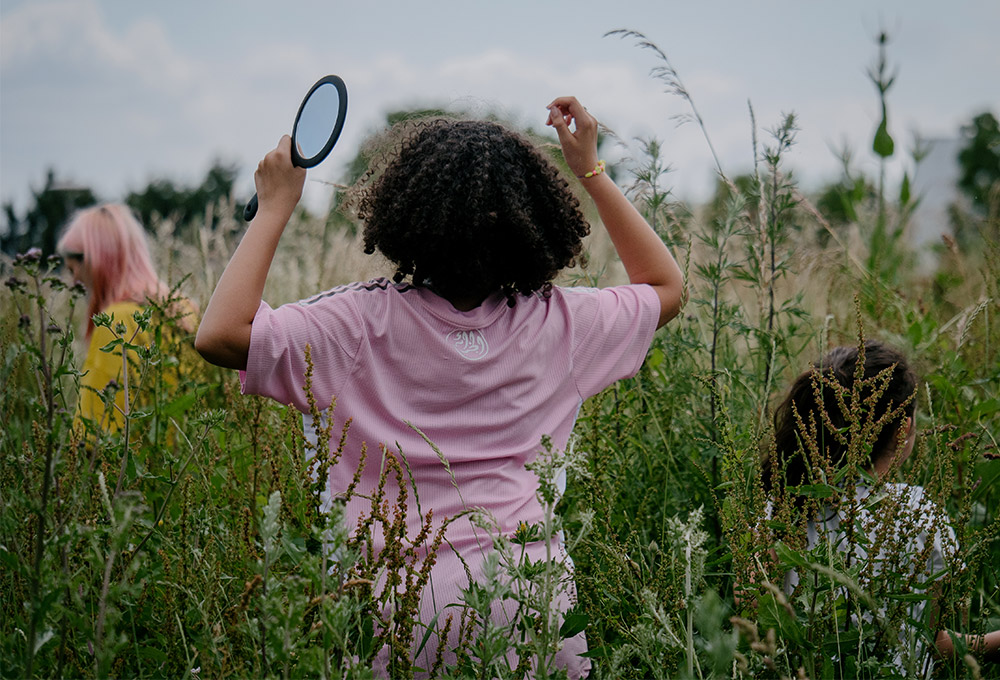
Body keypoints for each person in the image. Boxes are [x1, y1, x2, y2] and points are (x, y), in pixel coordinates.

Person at [195, 97, 683, 676]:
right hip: (534, 607)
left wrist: (274, 207)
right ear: (536, 224)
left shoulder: (353, 325)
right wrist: (590, 172)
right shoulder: (562, 323)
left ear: (404, 214)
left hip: (397, 615)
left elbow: (220, 334)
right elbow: (665, 286)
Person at [762, 340, 999, 674]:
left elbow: (756, 624)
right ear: (903, 429)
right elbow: (933, 642)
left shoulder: (779, 507)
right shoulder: (920, 514)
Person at [58, 203, 196, 435]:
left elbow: (94, 435)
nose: (73, 283)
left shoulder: (114, 324)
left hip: (141, 467)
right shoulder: (186, 309)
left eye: (73, 270)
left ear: (95, 260)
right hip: (192, 464)